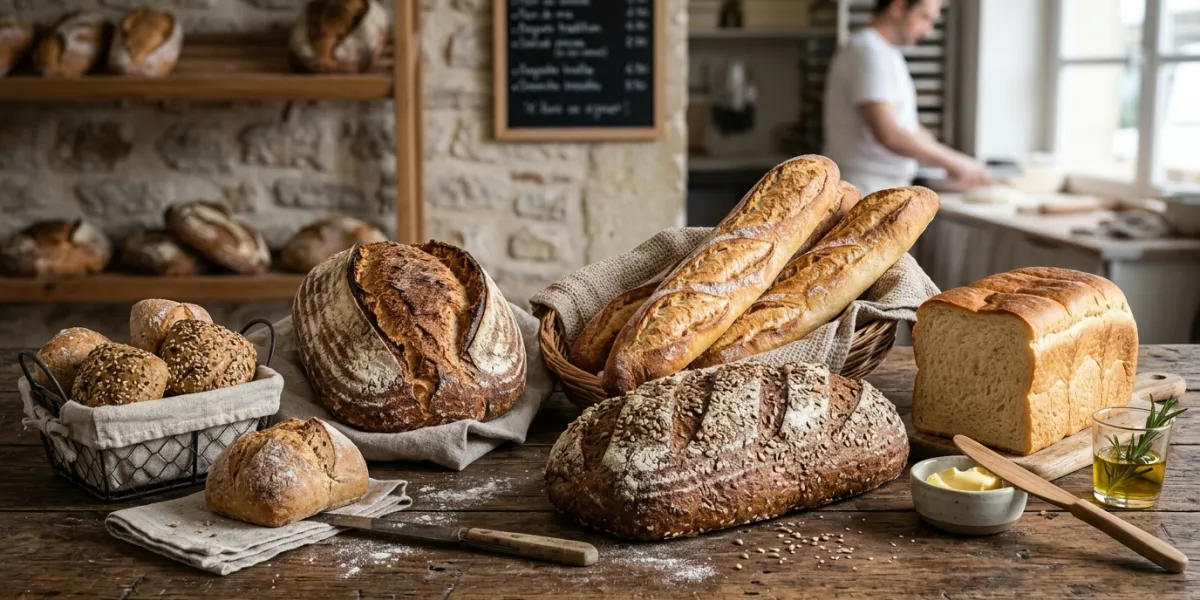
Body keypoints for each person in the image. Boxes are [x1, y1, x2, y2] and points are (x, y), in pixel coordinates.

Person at [823, 0, 989, 195]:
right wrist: (955, 163)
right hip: (865, 187)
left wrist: (959, 161)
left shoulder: (886, 53)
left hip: (883, 185)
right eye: (925, 17)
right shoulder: (868, 50)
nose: (928, 31)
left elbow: (908, 126)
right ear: (898, 7)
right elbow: (889, 133)